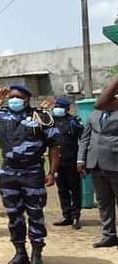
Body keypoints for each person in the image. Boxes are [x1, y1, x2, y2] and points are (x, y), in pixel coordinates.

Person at [0, 85, 60, 264]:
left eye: (17, 97)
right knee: (14, 215)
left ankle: (37, 253)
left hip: (32, 173)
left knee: (35, 215)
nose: (13, 100)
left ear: (27, 99)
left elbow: (54, 147)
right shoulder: (1, 116)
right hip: (9, 173)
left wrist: (52, 173)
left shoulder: (41, 118)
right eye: (11, 97)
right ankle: (20, 252)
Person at [78, 83, 118, 248]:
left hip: (115, 163)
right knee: (103, 201)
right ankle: (109, 235)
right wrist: (81, 160)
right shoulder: (94, 115)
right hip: (95, 164)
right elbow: (85, 139)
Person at [51, 97, 84, 230]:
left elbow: (83, 139)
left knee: (75, 190)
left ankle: (76, 216)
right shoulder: (51, 121)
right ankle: (67, 216)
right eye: (56, 106)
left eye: (60, 106)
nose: (57, 108)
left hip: (72, 162)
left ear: (67, 108)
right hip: (57, 163)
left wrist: (82, 160)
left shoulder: (73, 122)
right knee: (62, 190)